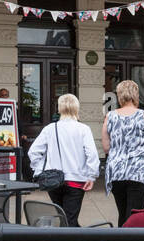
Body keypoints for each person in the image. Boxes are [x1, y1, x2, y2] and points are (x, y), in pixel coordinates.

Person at [28, 92, 99, 227]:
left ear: (60, 108)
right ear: (76, 108)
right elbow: (92, 154)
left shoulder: (50, 129)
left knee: (64, 218)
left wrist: (40, 169)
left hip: (54, 181)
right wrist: (91, 175)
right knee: (70, 219)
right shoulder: (83, 129)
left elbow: (33, 152)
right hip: (76, 180)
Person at [102, 79, 144, 227]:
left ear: (119, 96)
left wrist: (120, 149)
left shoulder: (110, 116)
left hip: (116, 171)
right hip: (138, 171)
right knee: (135, 214)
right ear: (136, 95)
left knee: (122, 213)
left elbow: (106, 148)